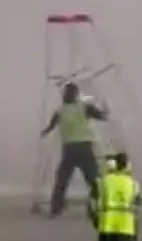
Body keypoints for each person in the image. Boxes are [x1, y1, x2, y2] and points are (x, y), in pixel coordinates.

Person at [41, 81, 109, 217]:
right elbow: (102, 116)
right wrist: (105, 110)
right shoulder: (84, 107)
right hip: (83, 147)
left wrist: (44, 132)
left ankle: (56, 209)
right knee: (93, 179)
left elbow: (51, 126)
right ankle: (97, 207)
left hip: (70, 149)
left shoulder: (61, 110)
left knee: (62, 179)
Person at [89, 151, 140, 241]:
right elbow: (135, 210)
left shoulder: (103, 181)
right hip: (125, 230)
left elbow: (92, 203)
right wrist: (135, 231)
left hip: (106, 229)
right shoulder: (133, 184)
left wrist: (95, 219)